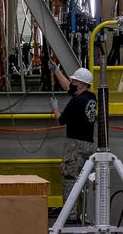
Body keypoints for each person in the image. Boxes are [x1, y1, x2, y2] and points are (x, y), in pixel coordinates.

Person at [51, 66, 98, 210]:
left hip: (74, 146)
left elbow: (61, 120)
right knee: (86, 180)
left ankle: (69, 214)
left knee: (70, 179)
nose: (72, 83)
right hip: (89, 145)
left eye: (75, 81)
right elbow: (70, 89)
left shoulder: (75, 101)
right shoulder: (91, 98)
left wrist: (55, 108)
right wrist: (56, 71)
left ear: (81, 84)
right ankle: (85, 214)